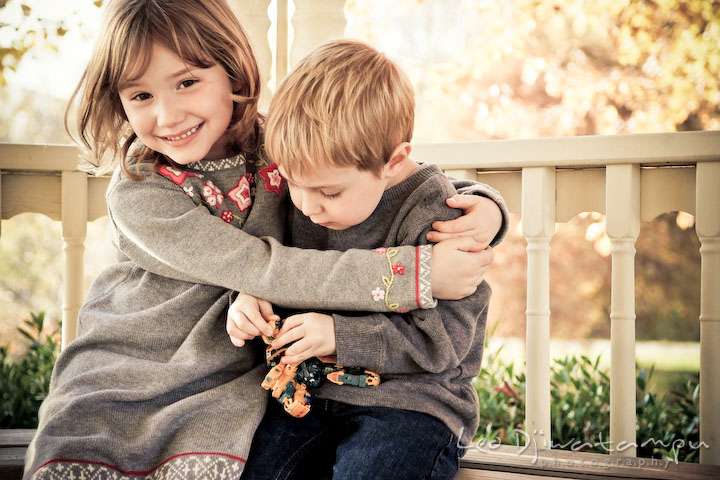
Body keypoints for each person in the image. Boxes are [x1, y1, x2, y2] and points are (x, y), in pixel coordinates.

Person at [24, 1, 508, 478]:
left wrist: (485, 207)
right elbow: (262, 267)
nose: (167, 116)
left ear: (232, 71)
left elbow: (386, 177)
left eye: (187, 81)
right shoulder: (140, 191)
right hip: (139, 362)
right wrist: (415, 274)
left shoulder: (279, 141)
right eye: (140, 96)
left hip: (318, 385)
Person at [233, 39, 496, 480]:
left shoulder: (436, 215)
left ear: (393, 163)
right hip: (307, 395)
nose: (307, 205)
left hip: (410, 404)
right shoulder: (304, 194)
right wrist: (249, 298)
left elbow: (443, 343)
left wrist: (340, 335)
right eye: (294, 183)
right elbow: (270, 259)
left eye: (329, 192)